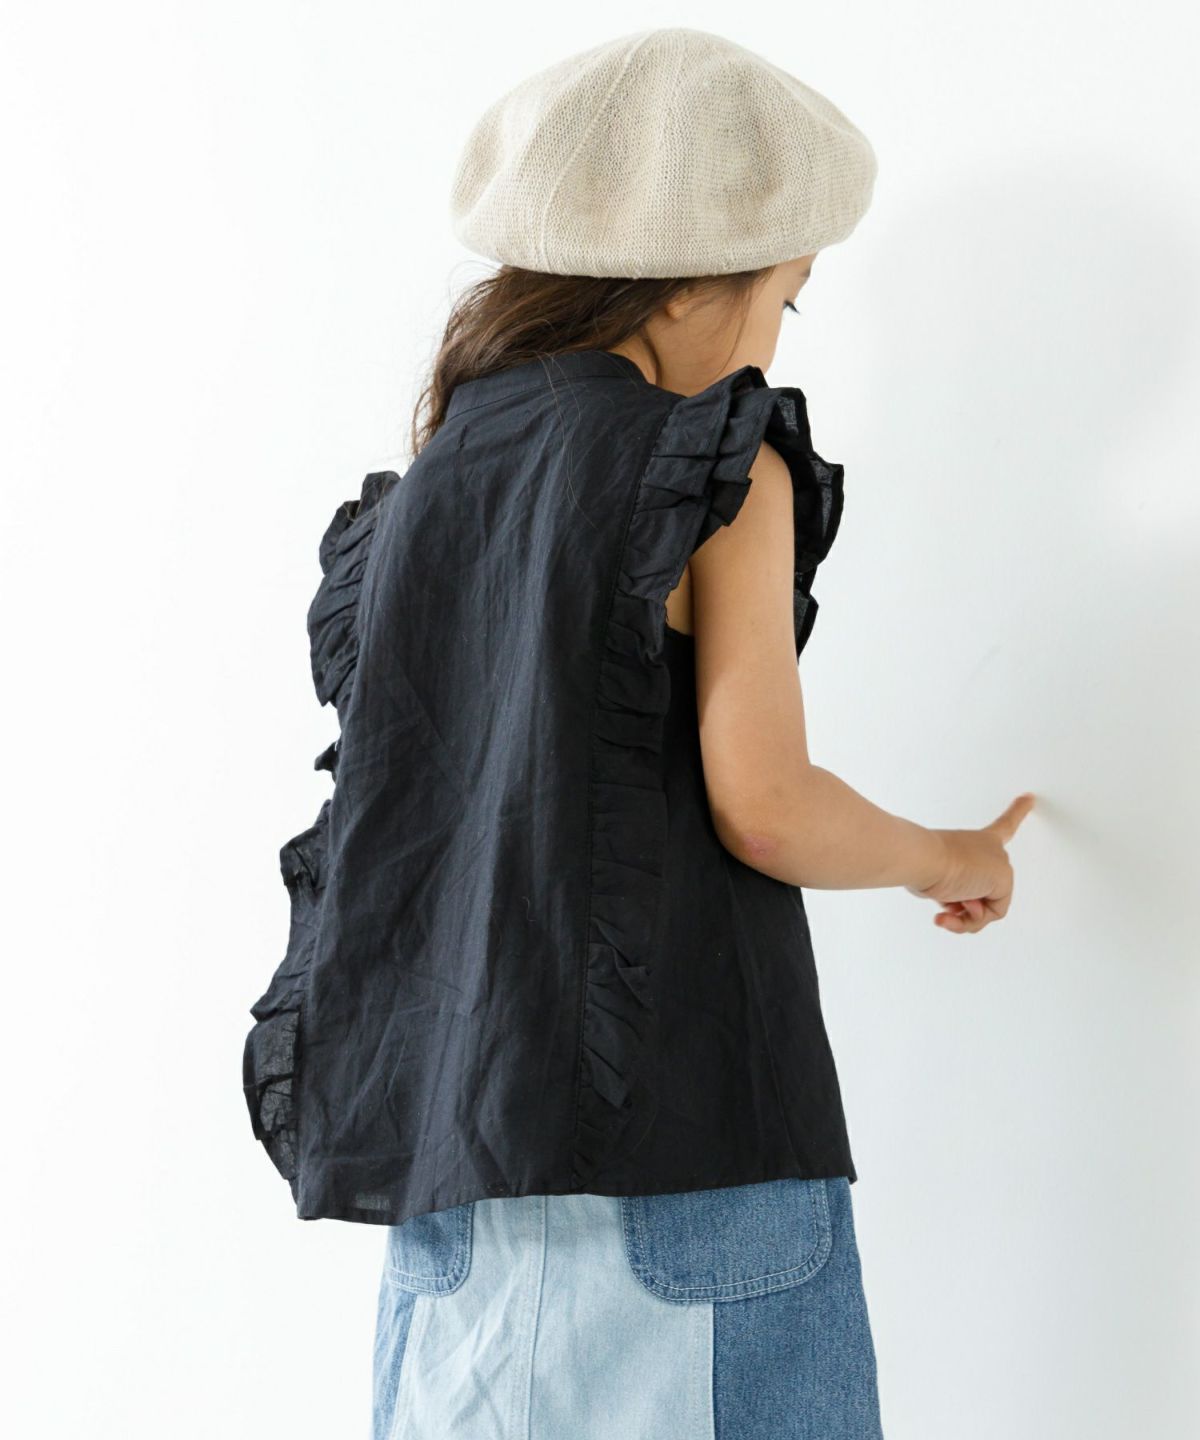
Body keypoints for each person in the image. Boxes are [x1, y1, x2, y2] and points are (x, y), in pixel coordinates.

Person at [242, 26, 1034, 1440]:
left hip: (452, 1205)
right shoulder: (712, 462)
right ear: (684, 282)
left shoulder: (420, 497)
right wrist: (948, 854)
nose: (775, 337)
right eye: (786, 298)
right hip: (687, 1168)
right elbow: (765, 804)